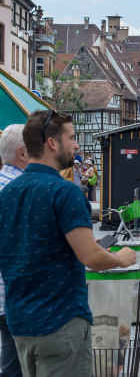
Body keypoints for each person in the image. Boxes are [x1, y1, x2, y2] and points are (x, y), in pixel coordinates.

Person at [0, 110, 136, 377]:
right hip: (60, 321)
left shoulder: (8, 193)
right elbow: (91, 257)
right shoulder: (66, 192)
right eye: (72, 138)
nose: (76, 146)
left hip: (21, 322)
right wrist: (121, 258)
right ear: (52, 143)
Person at [0, 125, 30, 377]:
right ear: (22, 154)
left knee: (11, 363)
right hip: (19, 294)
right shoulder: (25, 190)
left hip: (4, 295)